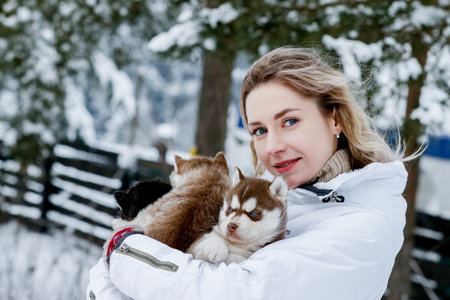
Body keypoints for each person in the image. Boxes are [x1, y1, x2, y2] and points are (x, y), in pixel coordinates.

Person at [87, 46, 419, 300]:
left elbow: (233, 292)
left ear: (335, 119)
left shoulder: (362, 225)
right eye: (259, 131)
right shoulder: (283, 196)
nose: (272, 146)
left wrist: (123, 247)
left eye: (289, 121)